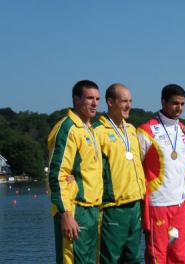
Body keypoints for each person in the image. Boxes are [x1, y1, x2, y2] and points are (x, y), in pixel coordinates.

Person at [137, 84, 185, 264]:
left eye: (182, 104)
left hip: (179, 203)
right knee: (157, 255)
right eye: (175, 103)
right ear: (163, 102)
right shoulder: (146, 130)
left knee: (178, 255)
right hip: (157, 203)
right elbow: (136, 168)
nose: (179, 108)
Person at [47, 80, 103, 264]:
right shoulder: (67, 128)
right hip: (74, 211)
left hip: (92, 210)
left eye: (97, 99)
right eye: (89, 98)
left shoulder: (89, 128)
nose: (94, 103)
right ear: (76, 100)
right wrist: (65, 215)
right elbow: (57, 175)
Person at [94, 83, 146, 264]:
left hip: (135, 206)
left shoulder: (131, 130)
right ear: (110, 102)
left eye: (130, 101)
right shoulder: (97, 132)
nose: (128, 105)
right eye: (124, 101)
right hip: (112, 208)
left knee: (133, 259)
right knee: (110, 259)